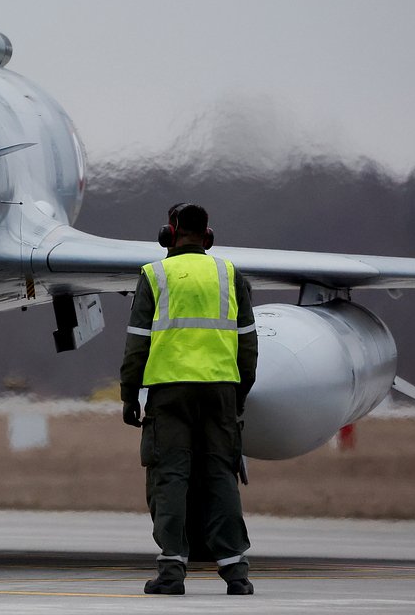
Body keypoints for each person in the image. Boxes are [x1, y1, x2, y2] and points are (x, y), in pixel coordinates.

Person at [120, 203, 258, 595]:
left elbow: (137, 344)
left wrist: (130, 394)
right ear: (208, 235)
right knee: (221, 475)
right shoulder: (229, 274)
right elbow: (248, 343)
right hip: (221, 391)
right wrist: (239, 393)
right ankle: (237, 573)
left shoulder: (155, 274)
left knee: (171, 476)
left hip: (170, 392)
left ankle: (171, 571)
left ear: (170, 232)